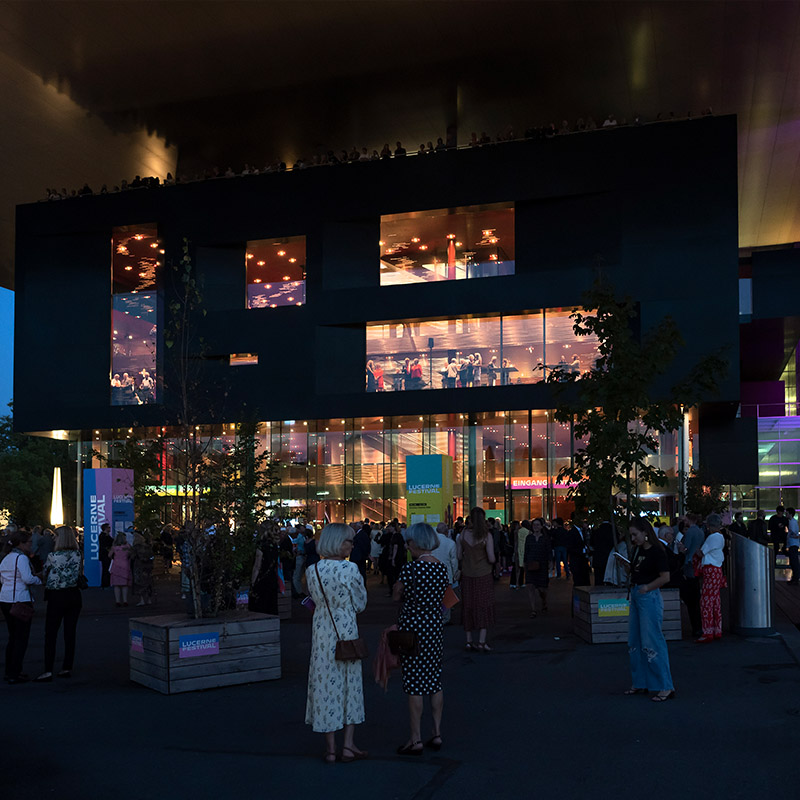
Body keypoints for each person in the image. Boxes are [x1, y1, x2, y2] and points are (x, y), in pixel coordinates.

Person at [304, 524, 368, 763]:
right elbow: (360, 604)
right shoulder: (349, 569)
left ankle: (330, 748)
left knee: (325, 686)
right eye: (348, 541)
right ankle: (348, 746)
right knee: (350, 685)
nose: (352, 545)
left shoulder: (313, 570)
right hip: (346, 631)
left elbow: (314, 600)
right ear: (339, 542)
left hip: (321, 633)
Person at [393, 523, 449, 755]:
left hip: (413, 628)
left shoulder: (411, 569)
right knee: (434, 681)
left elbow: (397, 594)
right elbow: (445, 598)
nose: (407, 546)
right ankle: (436, 733)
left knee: (414, 683)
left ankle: (415, 738)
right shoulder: (441, 568)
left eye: (408, 542)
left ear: (416, 543)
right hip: (434, 628)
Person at [620, 517, 675, 701]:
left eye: (635, 534)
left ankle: (664, 685)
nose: (633, 538)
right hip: (639, 593)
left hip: (647, 595)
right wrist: (628, 568)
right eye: (631, 535)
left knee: (652, 641)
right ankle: (642, 682)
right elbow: (637, 572)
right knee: (635, 642)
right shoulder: (637, 550)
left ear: (645, 533)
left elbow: (665, 577)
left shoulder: (657, 552)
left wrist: (647, 587)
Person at [34, 526, 83, 682]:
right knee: (70, 633)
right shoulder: (77, 554)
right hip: (74, 595)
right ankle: (66, 667)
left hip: (56, 596)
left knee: (51, 633)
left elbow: (46, 572)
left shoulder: (53, 556)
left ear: (60, 538)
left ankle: (48, 670)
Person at [0, 530, 42, 683]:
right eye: (29, 542)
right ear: (21, 543)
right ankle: (14, 672)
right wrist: (39, 580)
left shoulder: (6, 558)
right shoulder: (21, 558)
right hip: (20, 599)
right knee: (21, 638)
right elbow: (27, 578)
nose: (31, 544)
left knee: (13, 637)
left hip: (5, 598)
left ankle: (10, 670)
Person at [457, 507, 496, 651]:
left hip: (467, 574)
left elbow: (459, 556)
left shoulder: (463, 534)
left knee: (468, 605)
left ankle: (468, 641)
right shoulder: (487, 536)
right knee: (483, 605)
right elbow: (491, 558)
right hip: (483, 574)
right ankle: (481, 641)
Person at [696, 513, 726, 642]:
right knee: (715, 601)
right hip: (717, 570)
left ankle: (707, 631)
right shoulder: (720, 537)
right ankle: (716, 629)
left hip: (710, 570)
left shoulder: (712, 537)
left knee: (706, 601)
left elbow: (701, 553)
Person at [679, 513, 704, 637]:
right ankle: (699, 626)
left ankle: (695, 627)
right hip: (697, 564)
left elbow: (686, 549)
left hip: (689, 564)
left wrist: (681, 548)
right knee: (696, 597)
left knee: (691, 599)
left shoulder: (689, 533)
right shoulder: (700, 532)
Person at [249, 524, 281, 615]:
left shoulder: (261, 545)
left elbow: (257, 566)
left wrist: (253, 582)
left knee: (260, 605)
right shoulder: (274, 545)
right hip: (272, 577)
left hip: (262, 579)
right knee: (271, 605)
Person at [431, 522, 459, 623]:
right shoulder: (451, 543)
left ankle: (434, 616)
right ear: (446, 531)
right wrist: (455, 572)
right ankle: (445, 618)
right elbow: (454, 560)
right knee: (446, 597)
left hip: (432, 573)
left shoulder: (431, 542)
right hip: (447, 574)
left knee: (433, 596)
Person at [523, 518, 550, 617]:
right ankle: (533, 609)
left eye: (538, 525)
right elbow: (526, 551)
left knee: (541, 588)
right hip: (531, 564)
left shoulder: (545, 538)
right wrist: (525, 563)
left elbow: (548, 551)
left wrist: (550, 563)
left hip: (542, 564)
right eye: (534, 525)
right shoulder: (529, 538)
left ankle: (544, 601)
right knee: (530, 586)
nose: (536, 527)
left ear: (542, 526)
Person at [108, 532, 133, 607]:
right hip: (125, 565)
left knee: (116, 585)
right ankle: (125, 600)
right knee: (124, 585)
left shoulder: (114, 547)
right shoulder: (127, 546)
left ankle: (117, 601)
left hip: (116, 565)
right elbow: (131, 555)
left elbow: (109, 555)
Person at [131, 532, 155, 606]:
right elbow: (152, 556)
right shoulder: (148, 546)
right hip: (148, 566)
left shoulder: (136, 547)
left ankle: (142, 600)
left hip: (139, 566)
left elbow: (132, 556)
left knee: (139, 583)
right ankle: (149, 599)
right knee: (148, 582)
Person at [786, 507, 800, 585]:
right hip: (794, 544)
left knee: (794, 562)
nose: (786, 514)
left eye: (787, 513)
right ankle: (795, 578)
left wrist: (791, 535)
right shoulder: (793, 522)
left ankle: (795, 578)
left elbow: (794, 533)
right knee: (794, 562)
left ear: (790, 514)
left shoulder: (792, 522)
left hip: (793, 544)